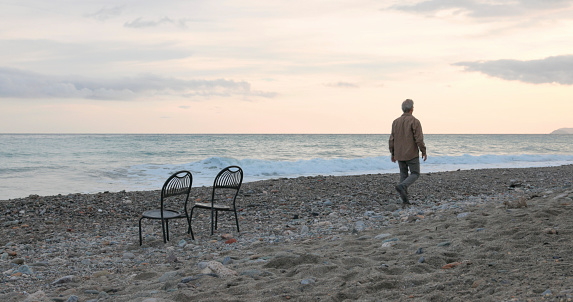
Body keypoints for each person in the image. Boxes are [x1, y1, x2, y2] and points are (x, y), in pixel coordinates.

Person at [389, 99, 427, 204]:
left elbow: (392, 139)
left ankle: (404, 200)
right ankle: (402, 187)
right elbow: (419, 139)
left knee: (403, 174)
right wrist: (423, 151)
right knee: (415, 173)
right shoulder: (415, 121)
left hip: (399, 153)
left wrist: (392, 153)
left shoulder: (395, 122)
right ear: (412, 109)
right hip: (411, 153)